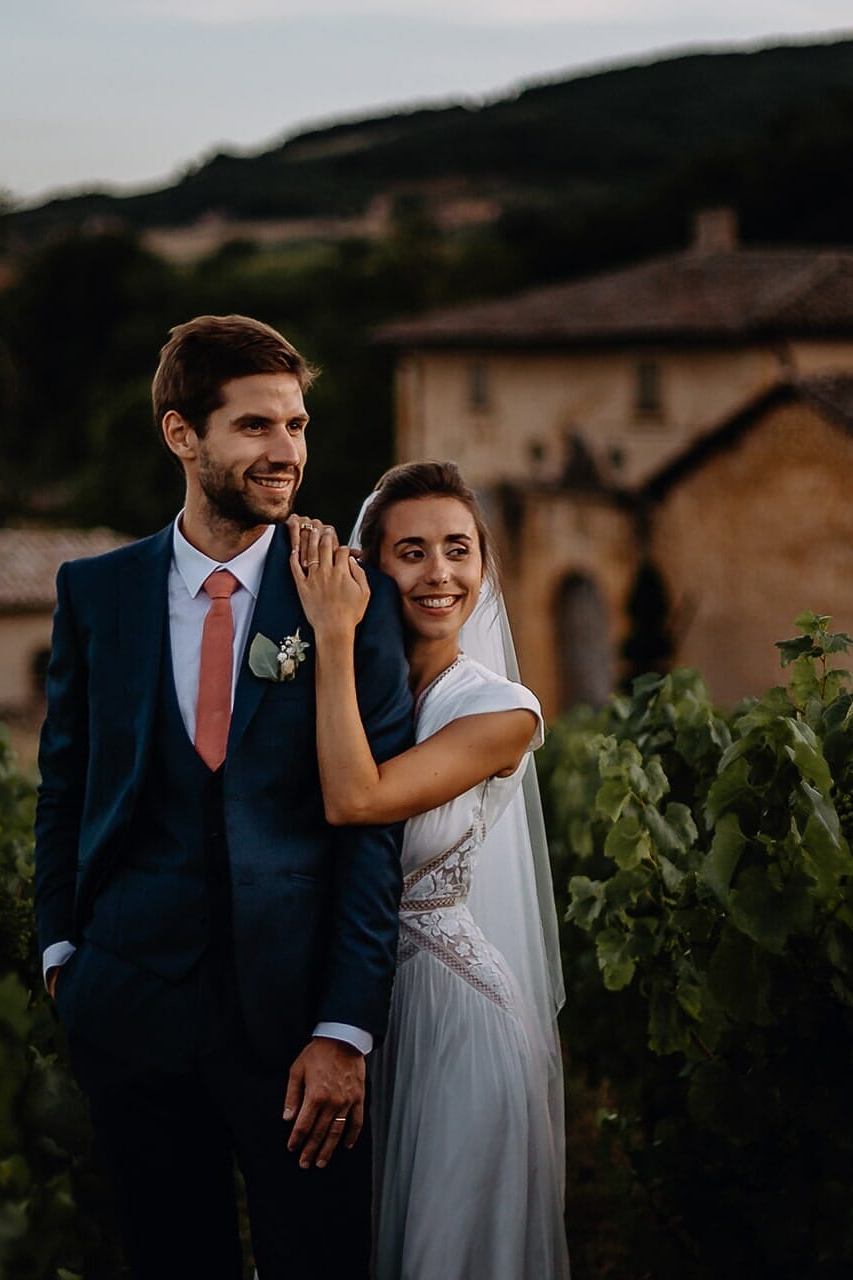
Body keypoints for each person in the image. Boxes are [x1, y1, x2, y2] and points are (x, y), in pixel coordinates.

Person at [32, 315, 415, 1280]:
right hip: (128, 1006)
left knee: (319, 1262)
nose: (285, 452)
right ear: (180, 435)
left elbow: (372, 832)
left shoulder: (345, 599)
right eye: (254, 427)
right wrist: (61, 956)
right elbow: (65, 786)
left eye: (297, 424)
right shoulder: (97, 594)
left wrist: (343, 1028)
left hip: (295, 1032)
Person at [289, 460, 570, 1280]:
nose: (439, 573)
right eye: (411, 552)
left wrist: (335, 635)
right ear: (370, 566)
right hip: (351, 1007)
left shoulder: (501, 710)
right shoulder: (345, 690)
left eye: (459, 550)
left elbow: (354, 799)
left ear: (484, 568)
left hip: (457, 1021)